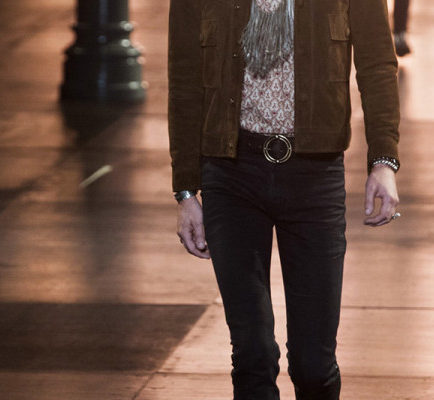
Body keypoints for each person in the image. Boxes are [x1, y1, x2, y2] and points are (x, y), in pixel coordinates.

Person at [168, 0, 400, 399]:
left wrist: (384, 161)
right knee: (252, 355)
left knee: (314, 365)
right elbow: (184, 76)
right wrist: (186, 190)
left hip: (314, 175)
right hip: (231, 173)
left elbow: (377, 62)